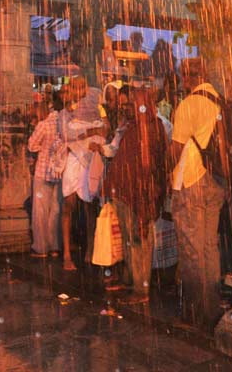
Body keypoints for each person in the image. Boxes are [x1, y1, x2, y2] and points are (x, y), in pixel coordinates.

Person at [167, 58, 227, 329]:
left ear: (187, 76)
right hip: (216, 180)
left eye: (182, 74)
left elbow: (176, 148)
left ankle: (195, 313)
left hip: (192, 178)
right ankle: (212, 306)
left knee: (192, 250)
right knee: (208, 247)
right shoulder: (219, 101)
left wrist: (165, 174)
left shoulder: (189, 103)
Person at [101, 87, 168, 303]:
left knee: (139, 240)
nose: (126, 109)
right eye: (125, 106)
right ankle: (132, 282)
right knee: (130, 240)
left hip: (138, 193)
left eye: (130, 105)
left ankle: (141, 289)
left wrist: (146, 198)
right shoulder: (133, 127)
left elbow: (149, 167)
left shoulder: (150, 128)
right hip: (125, 193)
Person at [58, 79, 108, 271]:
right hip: (73, 160)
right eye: (74, 88)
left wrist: (91, 132)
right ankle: (67, 255)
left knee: (89, 206)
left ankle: (90, 249)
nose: (78, 91)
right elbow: (67, 137)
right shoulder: (64, 114)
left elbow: (105, 129)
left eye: (82, 87)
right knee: (68, 205)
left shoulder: (96, 105)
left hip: (89, 160)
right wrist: (91, 131)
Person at [27, 91, 63, 258]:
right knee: (55, 210)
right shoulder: (63, 123)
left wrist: (43, 149)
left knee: (40, 210)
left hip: (43, 171)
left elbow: (31, 145)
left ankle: (41, 247)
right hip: (59, 172)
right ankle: (54, 245)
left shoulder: (43, 125)